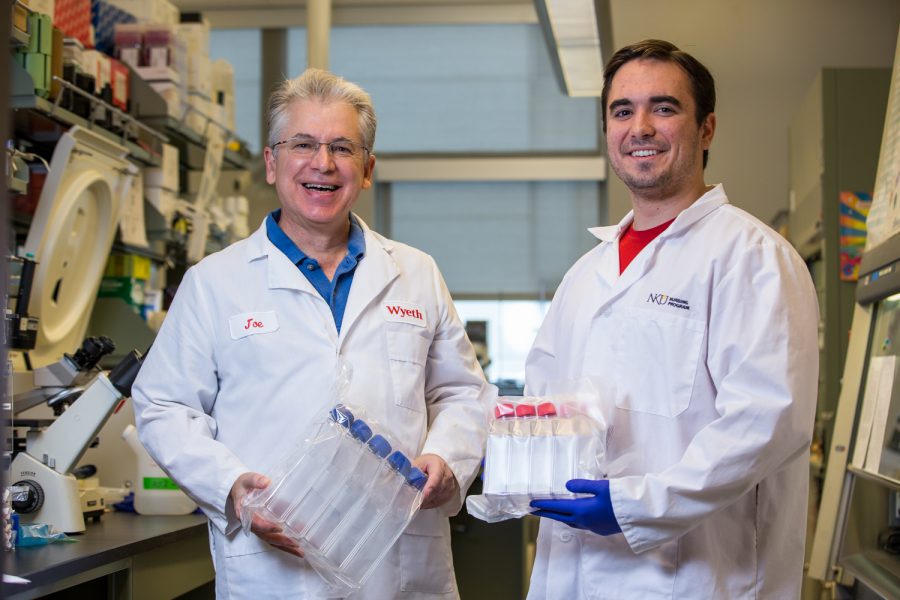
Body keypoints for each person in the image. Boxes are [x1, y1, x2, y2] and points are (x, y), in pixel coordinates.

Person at [131, 68, 490, 599]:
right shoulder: (215, 283)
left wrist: (447, 460)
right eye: (303, 144)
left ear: (366, 169)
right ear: (273, 163)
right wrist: (232, 489)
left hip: (399, 565)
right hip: (276, 570)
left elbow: (462, 392)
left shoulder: (415, 273)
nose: (323, 164)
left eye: (342, 148)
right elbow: (162, 404)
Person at [525, 39, 818, 598]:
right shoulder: (586, 275)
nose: (640, 127)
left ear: (706, 130)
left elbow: (766, 423)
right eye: (621, 110)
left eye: (663, 108)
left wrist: (638, 506)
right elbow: (546, 401)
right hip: (572, 574)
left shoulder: (753, 258)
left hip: (697, 577)